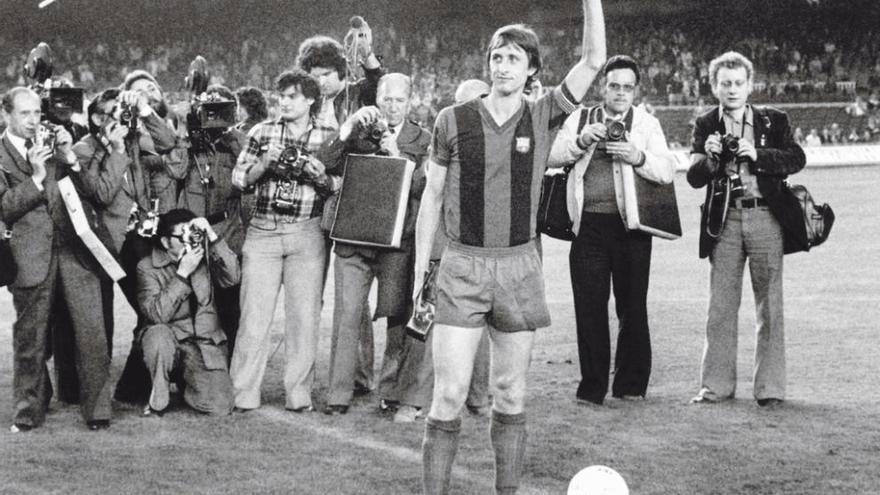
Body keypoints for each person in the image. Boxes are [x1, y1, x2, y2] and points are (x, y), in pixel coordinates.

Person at [412, 1, 606, 492]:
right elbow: (432, 195)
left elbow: (592, 61)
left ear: (532, 70)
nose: (502, 66)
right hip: (462, 265)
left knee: (509, 391)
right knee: (449, 393)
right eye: (497, 57)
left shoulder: (542, 116)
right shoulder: (453, 119)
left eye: (514, 58)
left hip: (520, 266)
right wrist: (423, 268)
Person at [547, 55, 676, 405]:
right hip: (587, 226)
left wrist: (637, 156)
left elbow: (667, 169)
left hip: (631, 227)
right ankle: (592, 387)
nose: (620, 93)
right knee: (589, 306)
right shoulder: (580, 118)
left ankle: (631, 384)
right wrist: (581, 141)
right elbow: (550, 156)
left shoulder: (646, 124)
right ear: (602, 86)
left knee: (632, 305)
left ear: (636, 91)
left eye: (627, 87)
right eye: (614, 85)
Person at [687, 51, 808, 408]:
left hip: (766, 217)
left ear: (750, 85)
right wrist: (709, 158)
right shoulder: (706, 123)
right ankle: (715, 387)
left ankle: (770, 389)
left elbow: (796, 158)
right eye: (726, 83)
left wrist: (757, 154)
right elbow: (694, 177)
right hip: (724, 222)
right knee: (720, 308)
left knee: (770, 306)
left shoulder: (773, 120)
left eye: (739, 83)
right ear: (714, 87)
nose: (733, 89)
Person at [229, 70, 342, 413]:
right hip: (263, 230)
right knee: (253, 318)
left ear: (310, 99)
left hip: (307, 231)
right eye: (282, 96)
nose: (285, 102)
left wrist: (319, 174)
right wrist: (265, 162)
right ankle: (243, 394)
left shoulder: (330, 135)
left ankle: (299, 394)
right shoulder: (262, 132)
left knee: (304, 318)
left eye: (293, 96)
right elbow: (238, 180)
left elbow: (340, 184)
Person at [0, 87, 113, 432]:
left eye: (38, 113)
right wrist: (35, 178)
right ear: (5, 115)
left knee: (92, 331)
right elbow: (3, 207)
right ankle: (28, 412)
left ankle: (98, 412)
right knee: (30, 338)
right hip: (29, 253)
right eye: (25, 114)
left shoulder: (54, 143)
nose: (34, 121)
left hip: (74, 247)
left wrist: (71, 159)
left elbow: (89, 192)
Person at [325, 73, 432, 421]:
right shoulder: (358, 128)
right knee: (347, 316)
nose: (392, 105)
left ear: (410, 102)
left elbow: (423, 188)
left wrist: (396, 154)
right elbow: (326, 161)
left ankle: (391, 391)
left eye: (399, 100)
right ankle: (338, 393)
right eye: (386, 98)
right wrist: (349, 126)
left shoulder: (423, 137)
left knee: (397, 317)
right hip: (354, 239)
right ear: (377, 99)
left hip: (397, 241)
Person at [72, 85, 177, 405]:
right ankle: (104, 390)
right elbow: (101, 194)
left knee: (151, 310)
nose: (113, 119)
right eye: (105, 114)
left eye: (117, 112)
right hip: (106, 243)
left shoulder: (133, 139)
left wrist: (145, 110)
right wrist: (115, 150)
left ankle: (132, 387)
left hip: (139, 238)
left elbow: (169, 144)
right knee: (104, 321)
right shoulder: (84, 149)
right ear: (93, 117)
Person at [297, 29, 385, 393]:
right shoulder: (306, 107)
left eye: (325, 74)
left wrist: (369, 57)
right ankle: (302, 372)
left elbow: (378, 85)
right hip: (313, 206)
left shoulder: (357, 95)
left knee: (354, 297)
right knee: (308, 292)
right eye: (313, 75)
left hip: (354, 202)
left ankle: (360, 374)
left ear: (340, 73)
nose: (319, 82)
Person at [137, 209, 239, 416]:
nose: (190, 242)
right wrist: (183, 273)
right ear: (166, 243)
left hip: (203, 344)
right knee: (157, 335)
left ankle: (190, 385)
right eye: (182, 236)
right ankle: (159, 397)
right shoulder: (146, 267)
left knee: (221, 406)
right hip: (169, 341)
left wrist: (211, 235)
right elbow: (157, 315)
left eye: (193, 235)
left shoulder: (206, 257)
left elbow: (233, 276)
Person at [178, 84, 248, 357]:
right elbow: (176, 167)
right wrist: (191, 126)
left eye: (222, 109)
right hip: (194, 233)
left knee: (230, 304)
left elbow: (251, 171)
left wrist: (233, 139)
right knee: (196, 303)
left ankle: (231, 366)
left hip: (228, 233)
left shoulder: (237, 142)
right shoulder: (192, 144)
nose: (214, 116)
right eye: (209, 109)